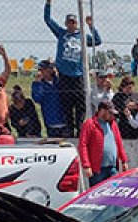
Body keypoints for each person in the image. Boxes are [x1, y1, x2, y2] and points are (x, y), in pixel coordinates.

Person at [44, 0, 102, 137]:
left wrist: (91, 25)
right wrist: (48, 4)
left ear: (77, 24)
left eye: (74, 22)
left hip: (78, 75)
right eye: (69, 22)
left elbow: (97, 41)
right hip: (64, 75)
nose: (71, 25)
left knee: (80, 104)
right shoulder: (61, 33)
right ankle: (69, 130)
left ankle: (80, 129)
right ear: (66, 23)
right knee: (66, 105)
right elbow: (47, 19)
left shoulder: (82, 36)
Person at [78, 100, 128, 185]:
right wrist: (86, 166)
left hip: (112, 168)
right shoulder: (90, 124)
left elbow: (118, 143)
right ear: (102, 111)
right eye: (110, 113)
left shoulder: (113, 124)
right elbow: (83, 145)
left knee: (114, 192)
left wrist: (123, 160)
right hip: (97, 170)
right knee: (97, 195)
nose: (112, 115)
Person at [32, 60, 68, 138]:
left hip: (65, 120)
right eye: (40, 70)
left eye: (43, 70)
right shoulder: (38, 84)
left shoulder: (59, 81)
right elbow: (37, 99)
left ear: (50, 70)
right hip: (50, 122)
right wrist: (38, 83)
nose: (41, 72)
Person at [113, 76, 138, 140]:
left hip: (136, 125)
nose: (129, 89)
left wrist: (136, 105)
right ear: (122, 87)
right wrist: (125, 108)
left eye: (131, 87)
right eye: (127, 88)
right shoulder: (118, 96)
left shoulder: (137, 95)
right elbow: (115, 109)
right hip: (123, 124)